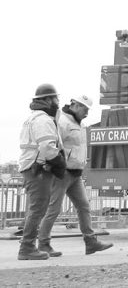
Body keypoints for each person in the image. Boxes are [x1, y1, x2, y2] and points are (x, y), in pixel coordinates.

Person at [37, 95, 112, 257]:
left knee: (84, 206)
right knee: (53, 209)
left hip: (75, 174)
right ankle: (43, 243)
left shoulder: (80, 124)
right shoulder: (63, 122)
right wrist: (54, 165)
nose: (87, 112)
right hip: (62, 173)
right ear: (75, 106)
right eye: (84, 109)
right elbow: (52, 145)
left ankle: (90, 242)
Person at [17, 83, 66, 260]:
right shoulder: (43, 120)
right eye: (55, 98)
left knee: (36, 208)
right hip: (37, 169)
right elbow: (47, 147)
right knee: (38, 209)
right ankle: (27, 248)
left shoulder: (33, 118)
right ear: (46, 100)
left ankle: (30, 246)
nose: (58, 102)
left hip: (32, 167)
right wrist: (59, 162)